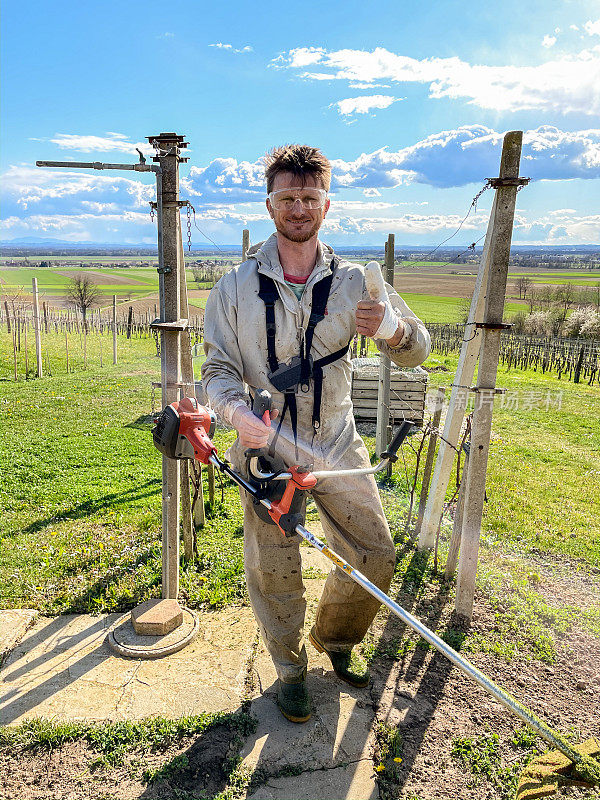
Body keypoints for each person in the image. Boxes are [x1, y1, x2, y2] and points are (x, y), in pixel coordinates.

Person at [201, 144, 431, 723]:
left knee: (375, 553)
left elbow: (418, 351)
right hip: (265, 446)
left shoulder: (357, 282)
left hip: (336, 442)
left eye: (309, 198)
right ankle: (289, 669)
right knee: (274, 565)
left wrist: (394, 329)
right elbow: (218, 371)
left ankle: (336, 637)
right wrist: (235, 416)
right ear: (271, 203)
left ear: (326, 205)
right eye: (287, 198)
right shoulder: (233, 288)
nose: (298, 207)